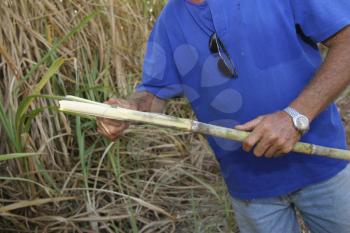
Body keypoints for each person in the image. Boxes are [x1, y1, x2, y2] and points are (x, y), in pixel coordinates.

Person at [97, 0, 350, 232]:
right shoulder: (169, 23)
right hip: (250, 189)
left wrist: (295, 116)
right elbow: (152, 94)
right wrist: (129, 110)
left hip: (323, 164)